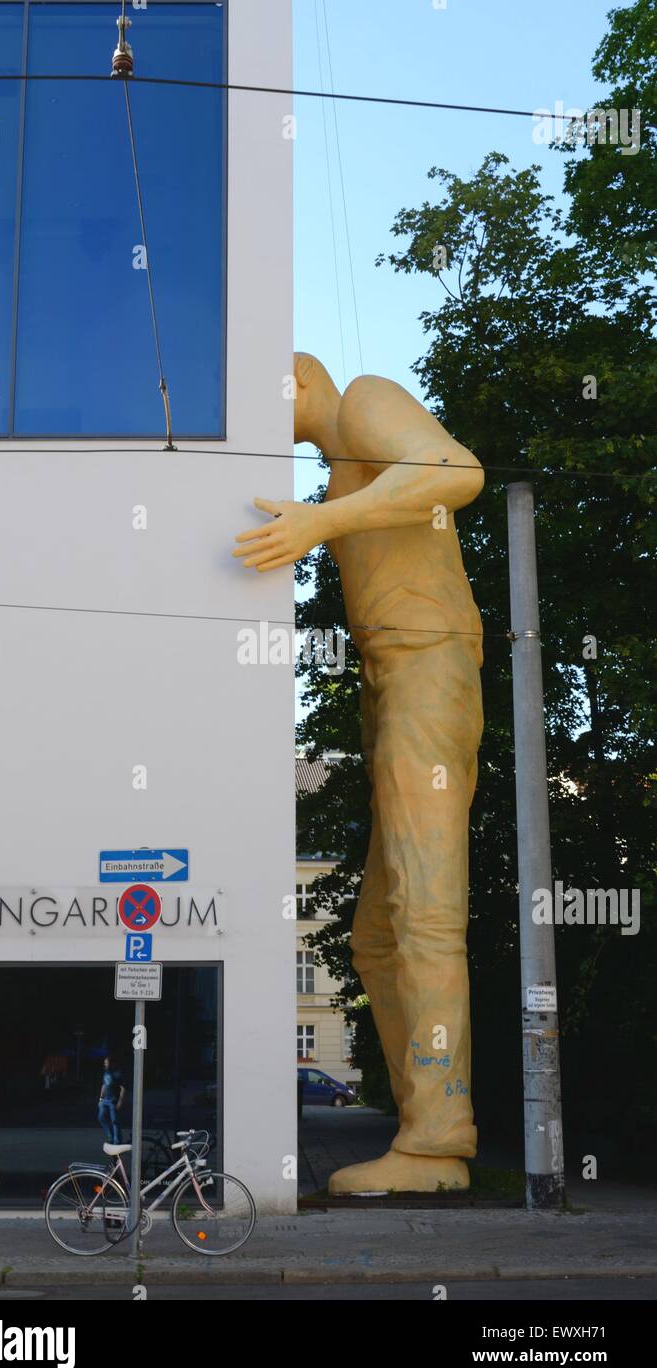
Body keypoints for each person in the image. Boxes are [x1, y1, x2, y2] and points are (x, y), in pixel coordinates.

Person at [232, 353, 484, 1193]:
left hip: (426, 666)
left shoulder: (369, 401)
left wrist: (318, 524)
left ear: (294, 382)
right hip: (391, 676)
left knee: (424, 910)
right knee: (376, 933)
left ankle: (438, 1141)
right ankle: (426, 1123)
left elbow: (457, 470)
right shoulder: (340, 462)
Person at [97, 1055, 126, 1145]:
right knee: (101, 1117)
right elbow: (104, 1085)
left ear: (112, 1063)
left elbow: (123, 1088)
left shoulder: (118, 1074)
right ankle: (110, 1135)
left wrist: (120, 1101)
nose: (105, 1064)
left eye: (106, 1063)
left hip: (113, 1100)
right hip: (104, 1100)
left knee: (115, 1121)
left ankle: (117, 1141)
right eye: (104, 1063)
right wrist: (100, 1098)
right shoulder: (106, 1073)